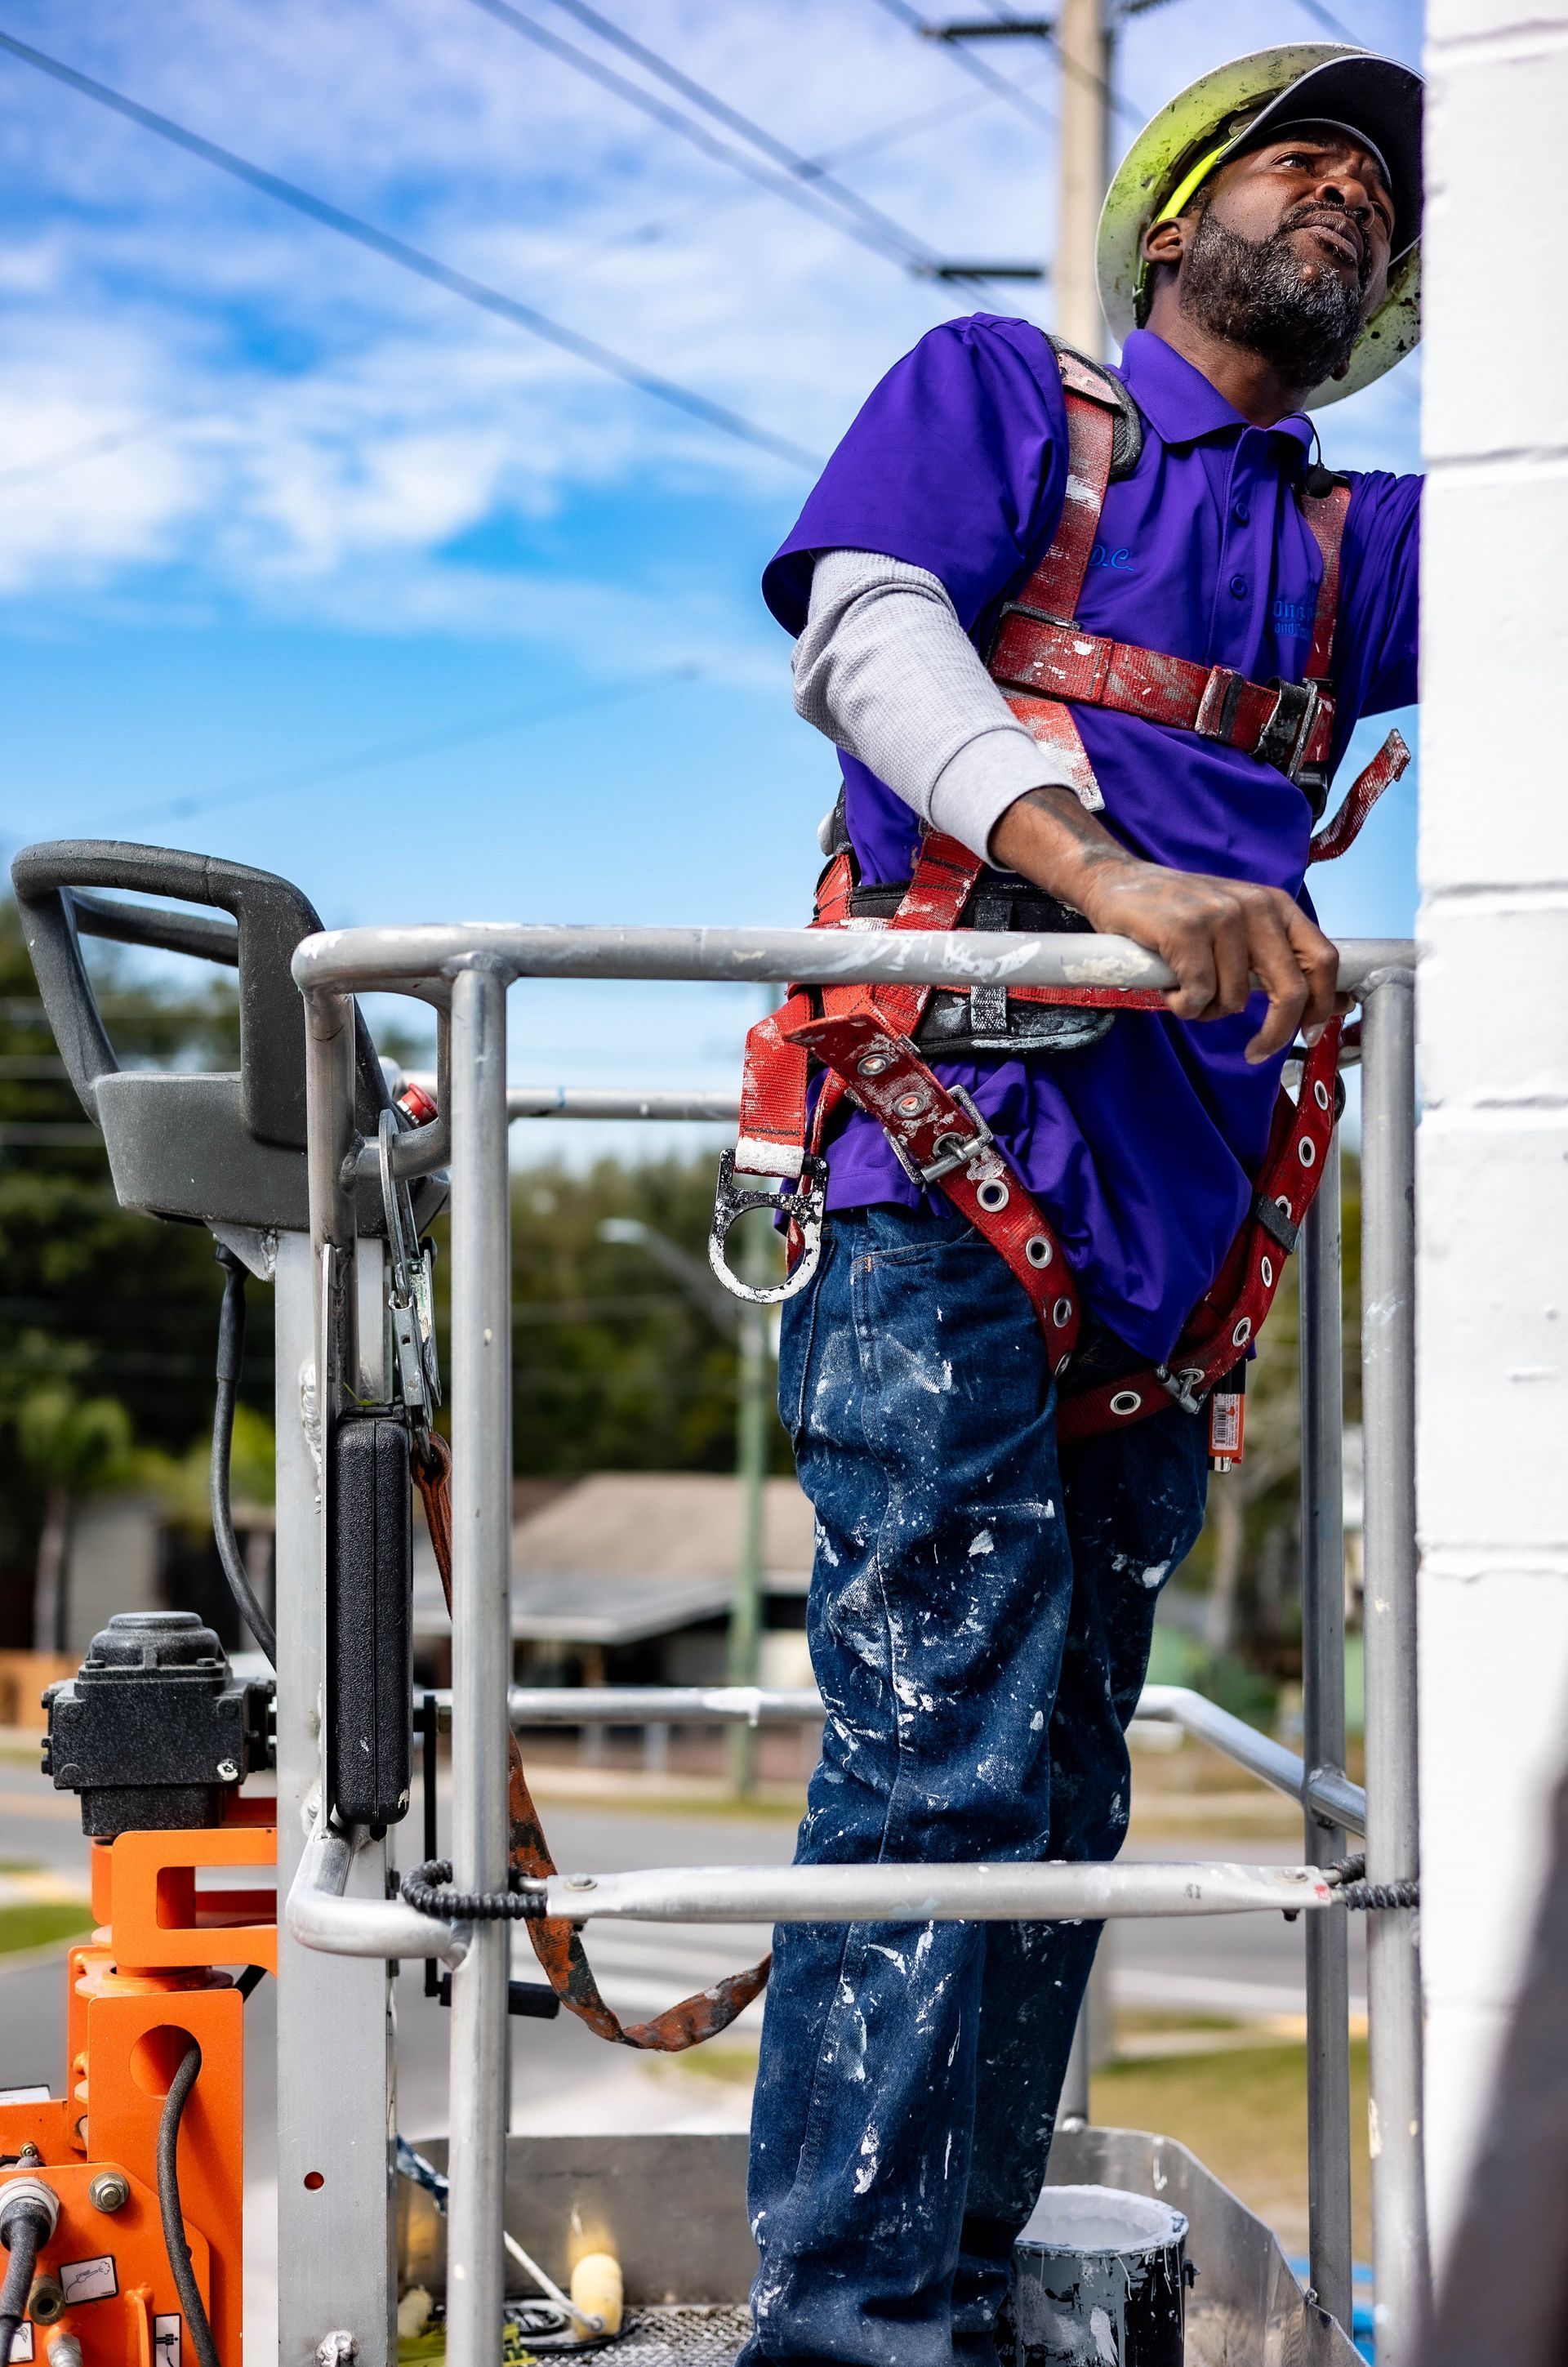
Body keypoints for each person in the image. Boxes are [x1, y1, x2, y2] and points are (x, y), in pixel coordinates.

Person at [734, 44, 1423, 2367]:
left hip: (1173, 1254)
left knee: (1057, 1781)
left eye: (1379, 187)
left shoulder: (1350, 549)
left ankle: (945, 2293)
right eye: (1300, 155)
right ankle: (853, 2338)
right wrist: (1104, 870)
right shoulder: (1012, 404)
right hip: (943, 1171)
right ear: (1173, 214)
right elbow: (866, 631)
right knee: (943, 1747)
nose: (1346, 191)